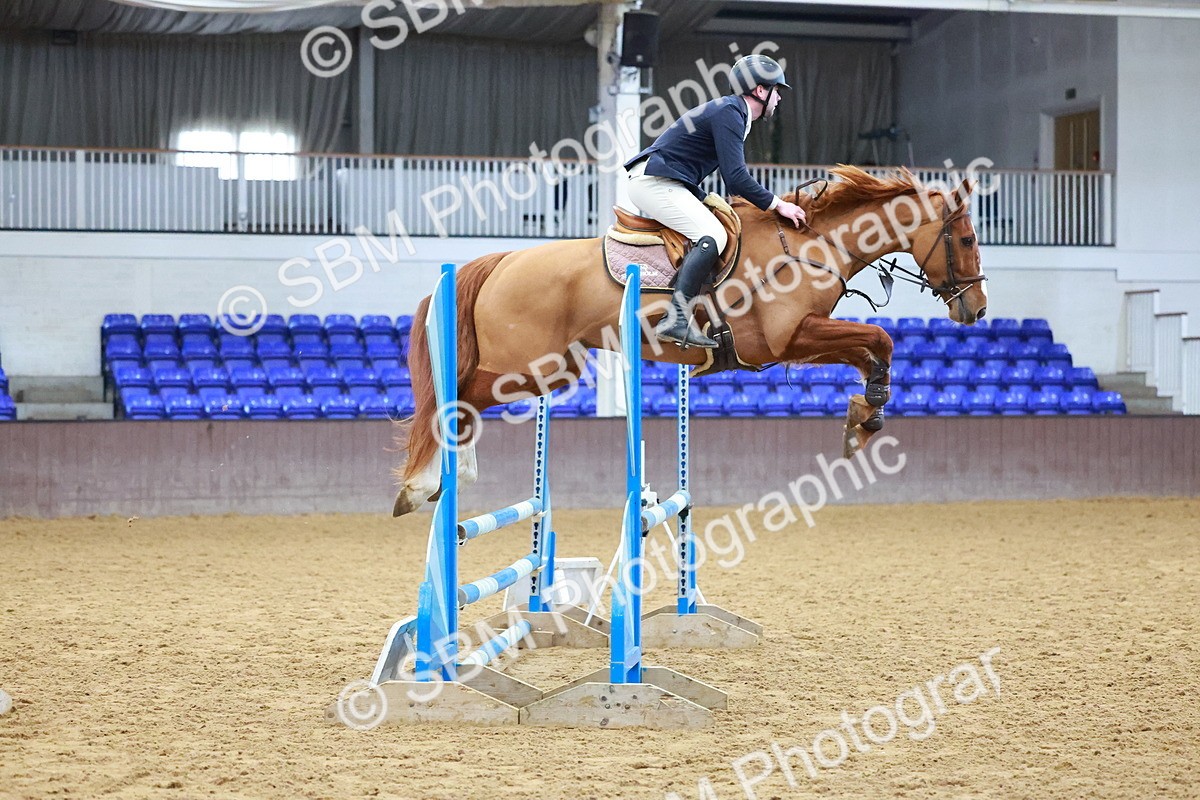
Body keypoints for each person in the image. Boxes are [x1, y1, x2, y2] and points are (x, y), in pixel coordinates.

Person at [623, 53, 807, 349]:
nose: (779, 99)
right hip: (655, 182)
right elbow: (735, 178)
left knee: (717, 223)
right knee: (713, 235)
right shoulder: (731, 113)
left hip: (667, 180)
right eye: (777, 91)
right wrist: (777, 204)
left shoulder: (733, 113)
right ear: (761, 90)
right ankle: (677, 319)